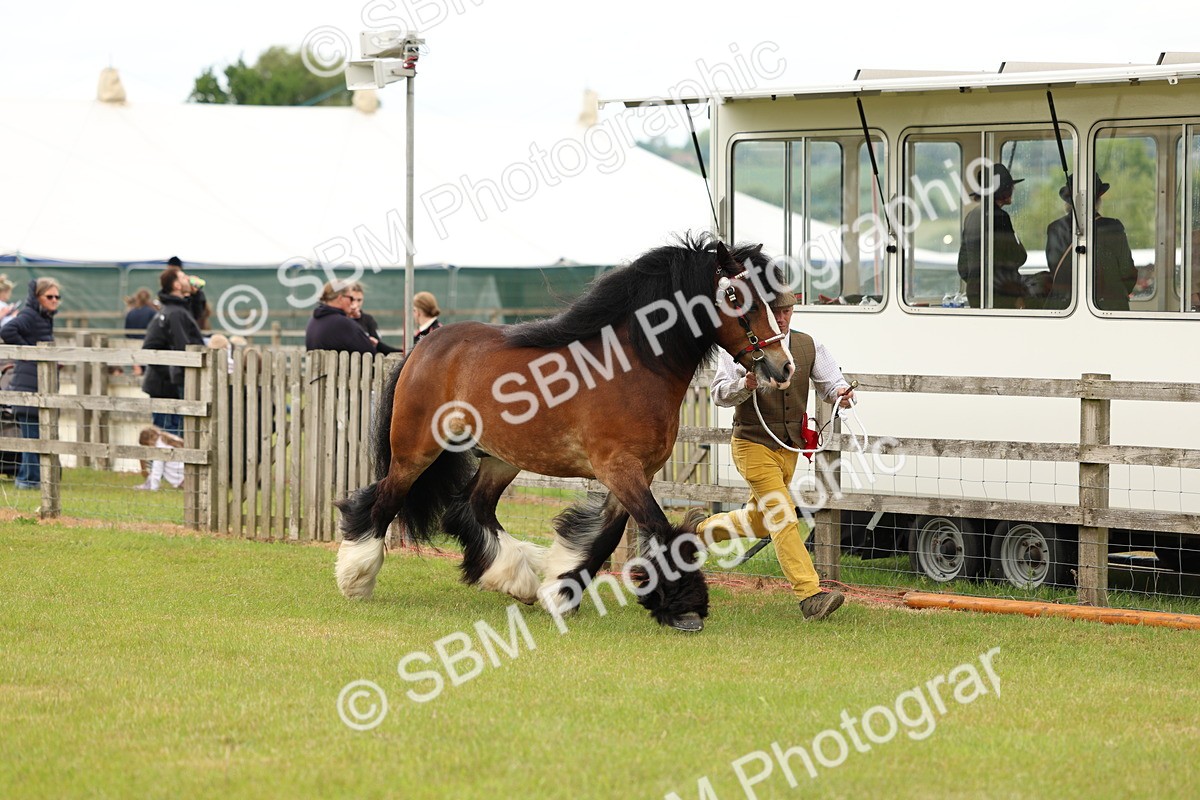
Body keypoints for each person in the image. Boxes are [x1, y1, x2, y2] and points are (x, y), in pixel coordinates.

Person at [686, 286, 855, 621]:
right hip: (751, 444)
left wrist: (842, 394)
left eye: (786, 311)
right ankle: (810, 595)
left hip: (788, 448)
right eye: (775, 312)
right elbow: (718, 394)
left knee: (760, 522)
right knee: (783, 514)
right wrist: (744, 385)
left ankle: (699, 531)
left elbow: (831, 383)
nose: (781, 318)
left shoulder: (809, 345)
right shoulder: (741, 348)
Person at [0, 278, 61, 489]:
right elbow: (7, 331)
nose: (54, 300)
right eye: (49, 296)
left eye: (57, 296)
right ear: (38, 297)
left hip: (39, 383)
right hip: (27, 385)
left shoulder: (43, 317)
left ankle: (31, 479)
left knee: (37, 435)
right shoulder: (29, 315)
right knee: (32, 436)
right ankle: (28, 480)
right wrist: (29, 353)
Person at [1047, 174, 1137, 312]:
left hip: (1064, 309)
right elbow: (1127, 272)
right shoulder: (1113, 227)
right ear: (1098, 200)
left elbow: (1055, 270)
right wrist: (1115, 293)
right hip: (1110, 308)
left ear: (1068, 202)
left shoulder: (1055, 228)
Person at [141, 267, 204, 438]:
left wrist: (196, 293)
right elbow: (183, 348)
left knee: (170, 435)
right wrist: (175, 374)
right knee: (168, 438)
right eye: (183, 277)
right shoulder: (174, 313)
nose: (188, 279)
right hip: (166, 387)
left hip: (167, 384)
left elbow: (195, 315)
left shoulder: (176, 309)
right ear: (176, 285)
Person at [957, 163, 1029, 309]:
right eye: (1010, 187)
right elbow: (1016, 257)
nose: (1013, 190)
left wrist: (977, 284)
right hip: (1000, 293)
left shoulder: (971, 216)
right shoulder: (1000, 217)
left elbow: (963, 267)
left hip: (974, 293)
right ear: (1004, 191)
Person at [305, 281, 376, 353]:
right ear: (340, 298)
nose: (352, 303)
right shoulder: (343, 323)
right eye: (351, 298)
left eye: (359, 300)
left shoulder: (313, 320)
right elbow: (370, 352)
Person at [347, 282, 400, 355]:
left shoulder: (368, 319)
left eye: (359, 300)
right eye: (352, 299)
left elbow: (377, 343)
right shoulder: (341, 318)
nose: (356, 303)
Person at [134, 425, 185, 490]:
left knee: (156, 467)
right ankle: (148, 483)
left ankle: (149, 485)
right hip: (185, 475)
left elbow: (157, 471)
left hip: (183, 480)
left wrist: (153, 488)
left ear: (149, 442)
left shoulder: (160, 448)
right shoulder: (166, 439)